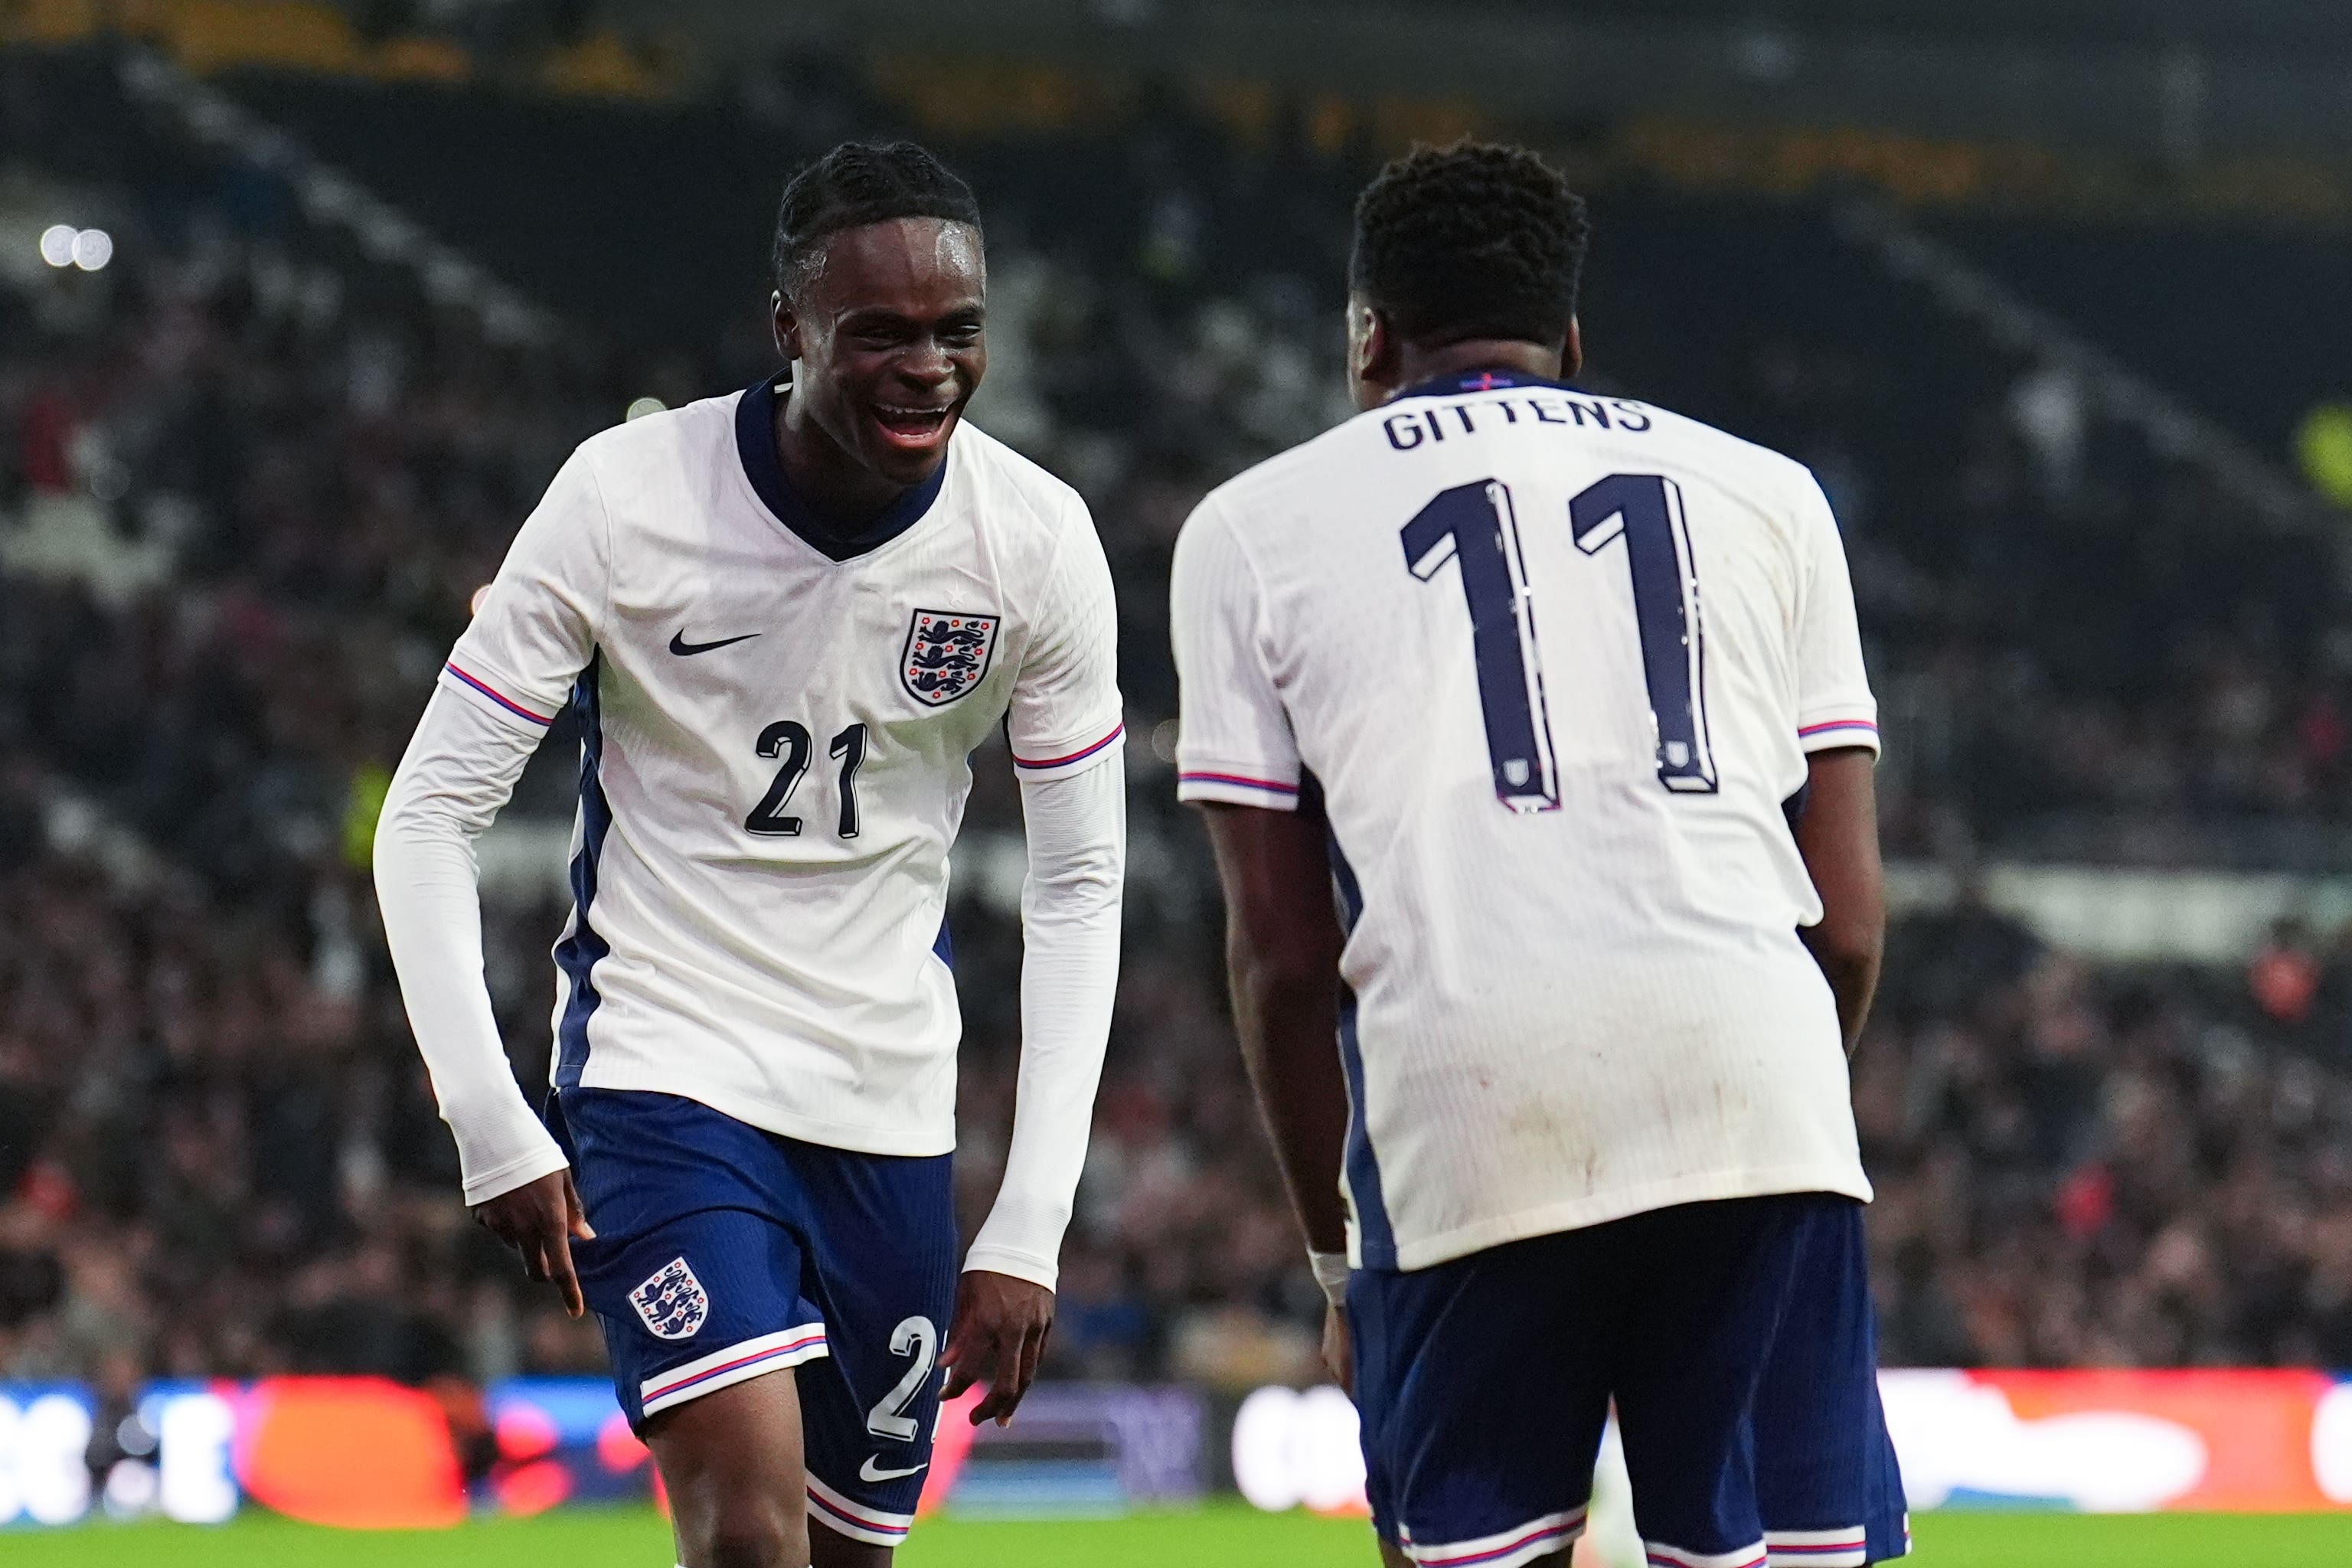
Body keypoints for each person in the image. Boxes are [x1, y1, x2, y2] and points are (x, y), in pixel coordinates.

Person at [374, 141, 1126, 1568]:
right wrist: (488, 1115)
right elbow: (429, 816)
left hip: (889, 1108)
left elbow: (1082, 885)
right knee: (745, 1534)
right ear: (789, 330)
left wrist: (1030, 1219)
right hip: (667, 1070)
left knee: (845, 1555)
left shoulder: (1035, 543)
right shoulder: (620, 500)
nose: (928, 368)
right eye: (880, 334)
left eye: (957, 331)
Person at [1170, 140, 1906, 1568]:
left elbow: (1278, 955)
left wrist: (1341, 1259)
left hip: (1466, 1112)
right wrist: (1782, 1101)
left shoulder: (1247, 532)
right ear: (1573, 341)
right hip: (1757, 1090)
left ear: (1367, 337)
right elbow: (1854, 924)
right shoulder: (1772, 495)